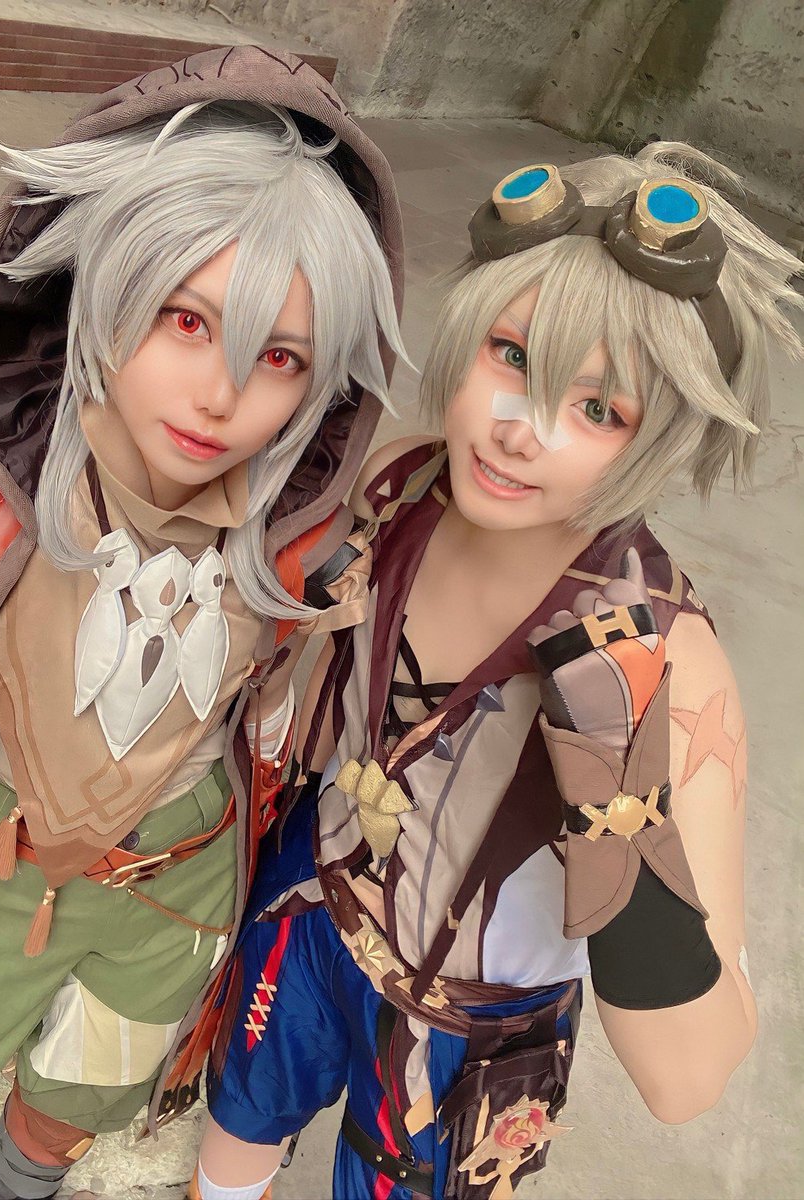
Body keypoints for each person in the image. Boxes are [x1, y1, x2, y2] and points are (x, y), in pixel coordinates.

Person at [196, 144, 801, 1200]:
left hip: (471, 1023)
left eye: (600, 409)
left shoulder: (665, 658)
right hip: (310, 906)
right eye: (510, 354)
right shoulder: (399, 486)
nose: (520, 431)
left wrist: (620, 805)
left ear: (658, 438)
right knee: (234, 1132)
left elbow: (687, 1078)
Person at [0, 45, 407, 1200]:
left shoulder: (306, 540)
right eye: (187, 320)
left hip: (176, 898)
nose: (221, 395)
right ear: (106, 284)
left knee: (65, 1121)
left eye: (278, 357)